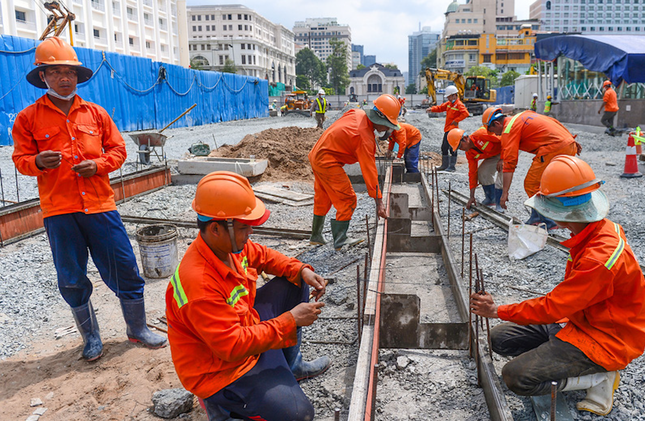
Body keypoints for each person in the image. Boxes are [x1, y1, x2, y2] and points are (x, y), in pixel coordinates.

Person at [11, 37, 166, 362]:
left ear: (77, 76)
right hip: (60, 211)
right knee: (71, 277)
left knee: (124, 267)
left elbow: (119, 150)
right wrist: (38, 162)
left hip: (100, 207)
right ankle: (91, 338)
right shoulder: (27, 119)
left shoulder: (96, 114)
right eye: (55, 73)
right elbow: (21, 160)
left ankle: (137, 329)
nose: (63, 78)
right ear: (43, 76)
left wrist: (97, 165)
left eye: (69, 71)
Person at [470, 155, 645, 416]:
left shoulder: (598, 259)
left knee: (516, 377)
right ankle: (559, 358)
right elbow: (563, 304)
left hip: (606, 338)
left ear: (560, 213)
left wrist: (497, 310)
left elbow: (554, 306)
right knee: (499, 339)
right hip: (579, 318)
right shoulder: (595, 230)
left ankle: (600, 377)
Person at [166, 171, 330, 421]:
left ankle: (292, 366)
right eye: (244, 227)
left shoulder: (226, 247)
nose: (250, 232)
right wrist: (290, 321)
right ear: (216, 228)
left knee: (294, 284)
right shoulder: (198, 284)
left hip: (245, 330)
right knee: (299, 415)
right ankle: (221, 405)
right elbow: (231, 346)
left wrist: (301, 270)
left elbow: (262, 255)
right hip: (221, 369)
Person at [308, 94, 398, 249]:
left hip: (317, 153)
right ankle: (340, 239)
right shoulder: (364, 139)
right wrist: (379, 202)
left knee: (323, 196)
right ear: (381, 121)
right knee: (348, 199)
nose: (388, 130)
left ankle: (316, 236)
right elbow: (369, 171)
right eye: (389, 126)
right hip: (327, 161)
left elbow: (344, 123)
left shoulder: (358, 113)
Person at [484, 108, 582, 230]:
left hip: (553, 148)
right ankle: (536, 217)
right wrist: (571, 140)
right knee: (545, 183)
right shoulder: (523, 115)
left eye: (493, 131)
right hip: (566, 144)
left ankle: (549, 221)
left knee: (531, 185)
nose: (496, 135)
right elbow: (552, 122)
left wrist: (504, 193)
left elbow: (509, 163)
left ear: (497, 123)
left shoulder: (508, 129)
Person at [447, 106, 504, 211]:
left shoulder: (482, 134)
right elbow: (472, 174)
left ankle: (500, 202)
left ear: (465, 139)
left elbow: (505, 139)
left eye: (460, 146)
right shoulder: (470, 153)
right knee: (482, 172)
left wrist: (503, 158)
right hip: (495, 154)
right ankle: (491, 198)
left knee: (503, 169)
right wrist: (472, 196)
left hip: (507, 148)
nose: (461, 149)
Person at [429, 85, 469, 172]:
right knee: (444, 147)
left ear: (454, 95)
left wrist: (456, 120)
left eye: (449, 97)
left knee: (452, 148)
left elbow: (465, 113)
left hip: (453, 130)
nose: (448, 99)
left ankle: (452, 166)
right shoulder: (449, 104)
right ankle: (444, 165)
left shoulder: (459, 104)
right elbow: (440, 108)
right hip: (448, 129)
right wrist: (432, 109)